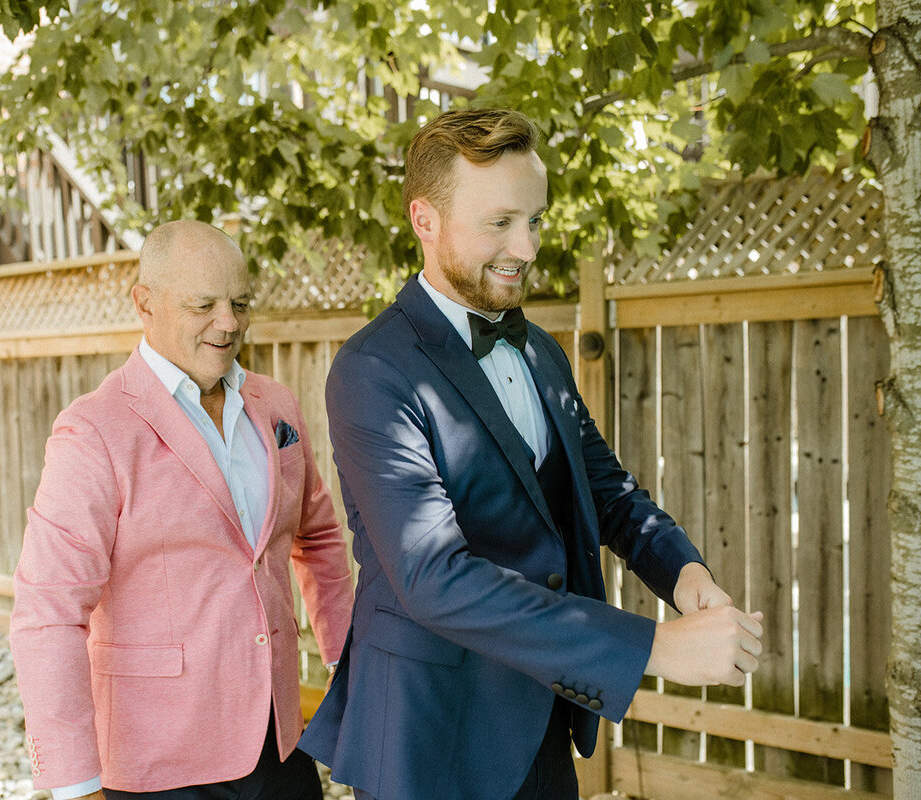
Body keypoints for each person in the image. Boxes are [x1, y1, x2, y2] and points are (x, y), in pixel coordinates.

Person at [298, 108, 764, 800]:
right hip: (430, 741)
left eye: (536, 220)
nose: (527, 245)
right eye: (500, 222)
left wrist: (685, 575)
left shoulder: (542, 350)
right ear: (424, 220)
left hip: (544, 716)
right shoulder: (374, 370)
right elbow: (434, 576)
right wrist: (653, 649)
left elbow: (606, 494)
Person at [10, 220, 355, 800]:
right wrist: (75, 783)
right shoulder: (93, 431)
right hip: (157, 768)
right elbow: (47, 611)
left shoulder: (275, 406)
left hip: (280, 747)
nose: (229, 323)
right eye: (204, 305)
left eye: (240, 303)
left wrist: (350, 666)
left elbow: (317, 539)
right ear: (145, 302)